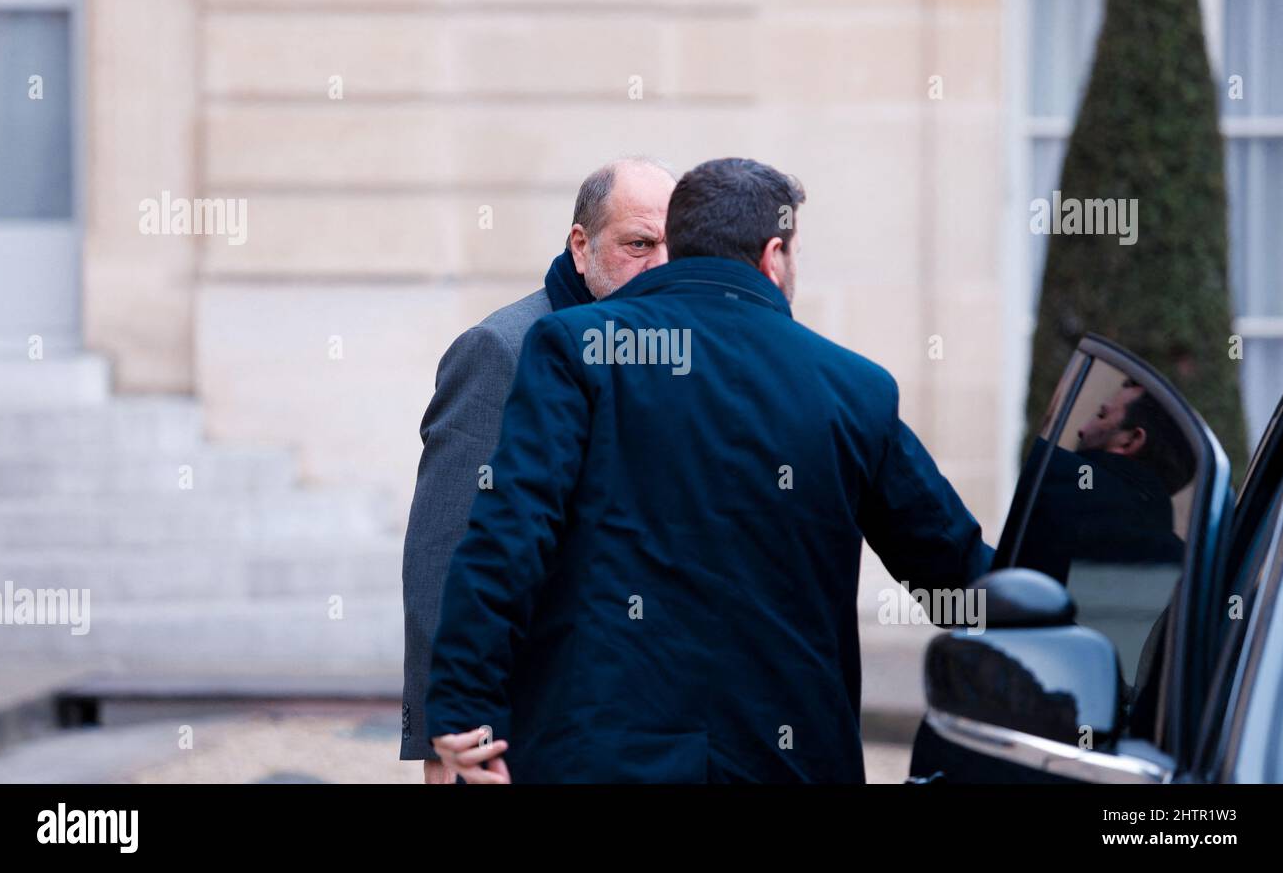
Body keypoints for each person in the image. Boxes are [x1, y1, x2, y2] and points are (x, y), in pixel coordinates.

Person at [425, 157, 993, 783]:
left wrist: (462, 713)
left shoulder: (574, 347)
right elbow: (958, 575)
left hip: (601, 761)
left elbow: (507, 539)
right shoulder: (854, 388)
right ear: (774, 255)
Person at [399, 156, 676, 782]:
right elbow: (442, 552)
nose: (659, 265)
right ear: (581, 245)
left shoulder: (671, 349)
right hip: (520, 732)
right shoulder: (501, 349)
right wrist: (442, 733)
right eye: (638, 244)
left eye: (672, 247)